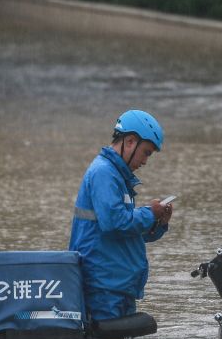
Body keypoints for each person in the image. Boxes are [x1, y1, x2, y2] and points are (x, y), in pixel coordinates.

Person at [69, 109, 173, 322]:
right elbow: (114, 224)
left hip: (116, 286)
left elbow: (128, 232)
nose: (145, 161)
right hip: (103, 287)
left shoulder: (117, 176)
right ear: (130, 142)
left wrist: (158, 223)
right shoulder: (104, 173)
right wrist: (149, 212)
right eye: (146, 153)